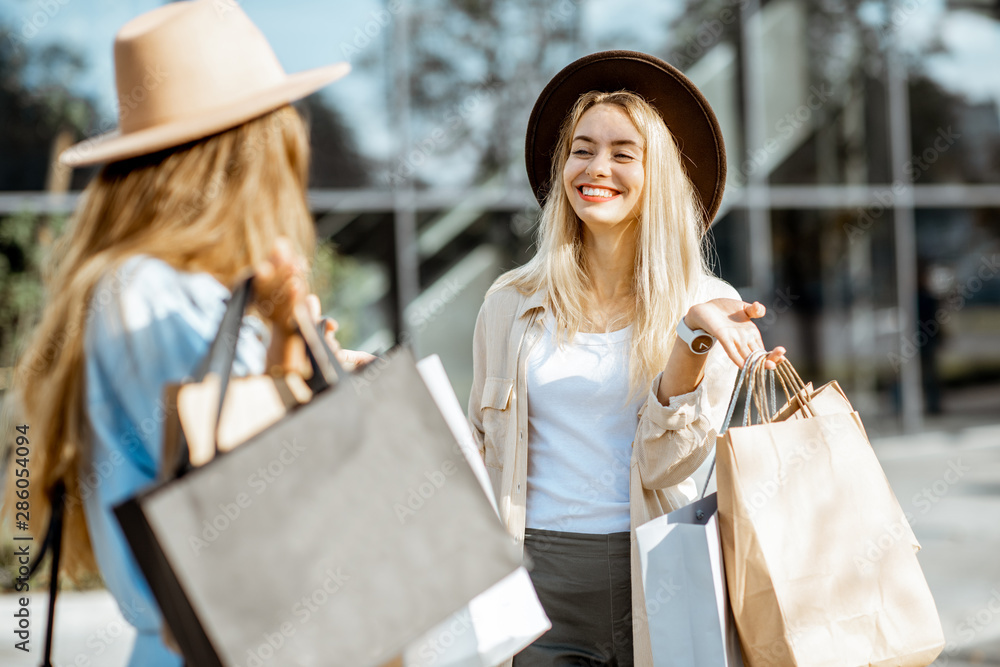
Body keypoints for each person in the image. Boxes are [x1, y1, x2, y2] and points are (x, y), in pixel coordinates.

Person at [0, 2, 368, 665]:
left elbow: (198, 448)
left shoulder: (147, 290)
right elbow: (249, 495)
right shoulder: (150, 296)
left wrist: (293, 353)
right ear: (246, 153)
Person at [469, 51, 787, 667]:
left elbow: (668, 466)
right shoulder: (509, 302)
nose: (596, 168)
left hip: (661, 571)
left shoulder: (709, 304)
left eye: (622, 153)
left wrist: (691, 341)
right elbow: (486, 451)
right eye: (582, 150)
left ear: (657, 174)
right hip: (533, 582)